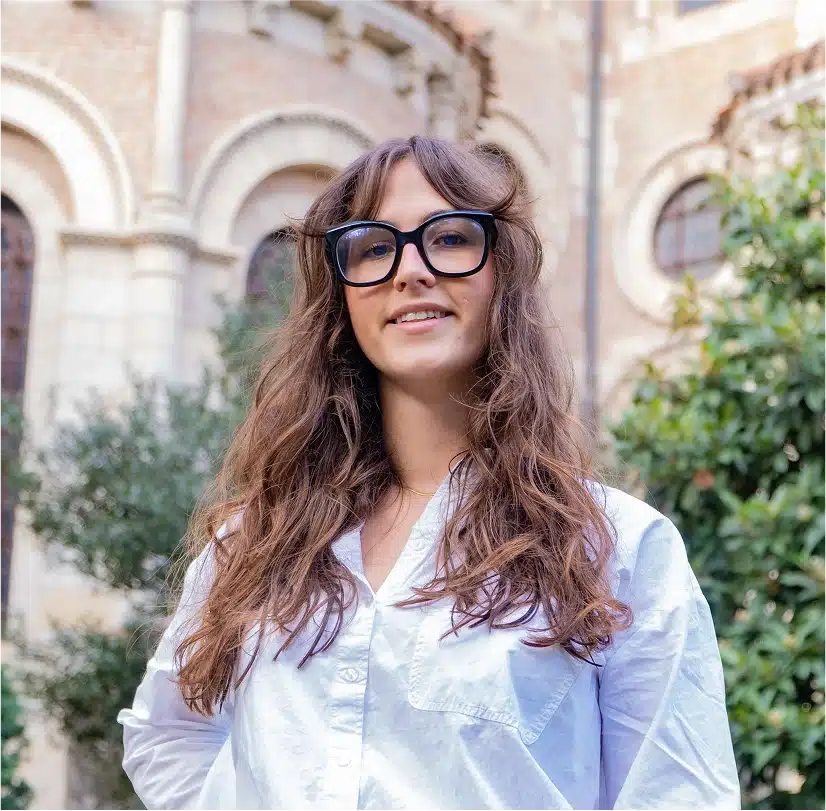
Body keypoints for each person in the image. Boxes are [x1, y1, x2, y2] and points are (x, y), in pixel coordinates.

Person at [118, 136, 741, 811]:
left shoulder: (616, 549)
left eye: (448, 239)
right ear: (341, 296)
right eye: (373, 247)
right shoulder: (255, 543)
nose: (410, 271)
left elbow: (679, 794)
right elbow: (165, 734)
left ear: (500, 274)